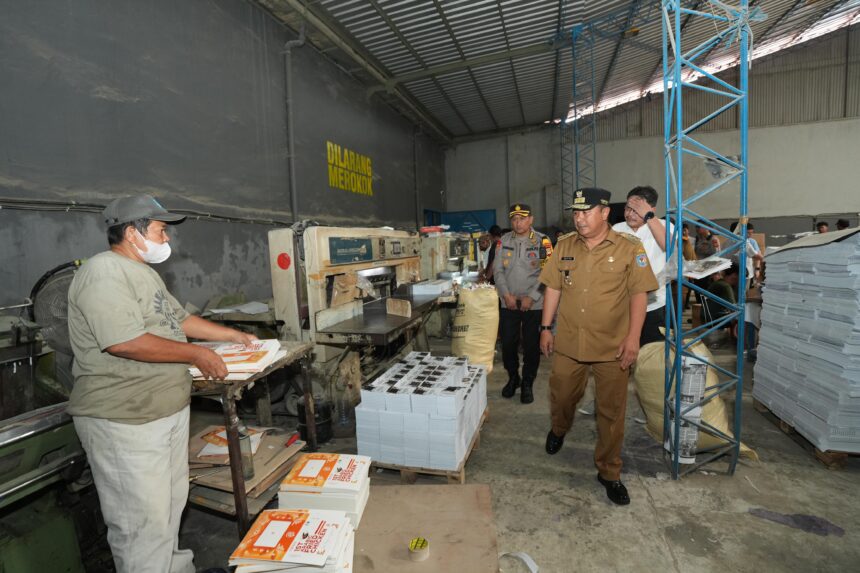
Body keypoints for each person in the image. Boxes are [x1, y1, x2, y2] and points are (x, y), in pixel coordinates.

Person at [67, 195, 257, 573]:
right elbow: (123, 341)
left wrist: (230, 335)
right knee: (141, 524)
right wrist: (197, 355)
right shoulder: (104, 272)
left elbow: (179, 320)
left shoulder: (143, 272)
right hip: (125, 418)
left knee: (169, 508)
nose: (166, 239)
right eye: (160, 230)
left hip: (161, 411)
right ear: (133, 232)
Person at [538, 188, 658, 505]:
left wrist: (633, 338)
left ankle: (609, 472)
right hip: (569, 342)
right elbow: (552, 287)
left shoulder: (630, 248)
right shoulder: (564, 246)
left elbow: (639, 295)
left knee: (611, 412)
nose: (578, 219)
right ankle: (559, 427)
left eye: (585, 212)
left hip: (612, 346)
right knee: (561, 394)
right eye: (575, 213)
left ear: (604, 213)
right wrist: (546, 327)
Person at [493, 203, 553, 404]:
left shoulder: (543, 241)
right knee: (508, 345)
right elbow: (498, 270)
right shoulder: (503, 240)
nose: (518, 223)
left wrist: (532, 297)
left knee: (531, 346)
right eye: (514, 219)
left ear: (531, 219)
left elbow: (548, 272)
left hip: (534, 305)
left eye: (522, 218)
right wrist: (506, 295)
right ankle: (513, 377)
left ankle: (528, 382)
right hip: (508, 302)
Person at [612, 185, 671, 345]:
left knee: (651, 353)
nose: (630, 214)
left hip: (654, 305)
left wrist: (649, 217)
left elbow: (670, 247)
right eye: (628, 208)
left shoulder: (663, 226)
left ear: (651, 209)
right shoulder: (616, 230)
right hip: (623, 305)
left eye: (637, 210)